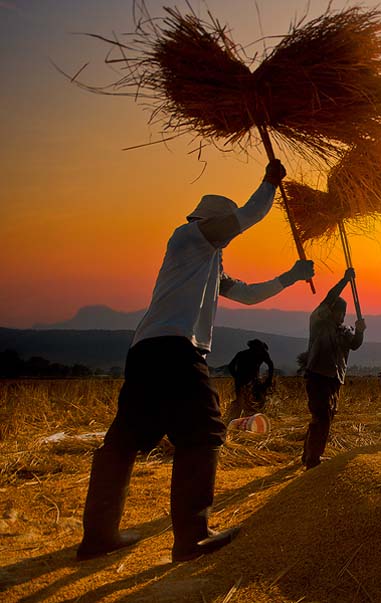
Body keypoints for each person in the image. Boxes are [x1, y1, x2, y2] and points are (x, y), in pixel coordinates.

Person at [77, 160, 316, 562]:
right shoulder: (188, 237)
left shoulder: (207, 262)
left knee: (124, 440)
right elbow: (247, 217)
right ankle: (193, 536)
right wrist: (269, 184)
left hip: (146, 351)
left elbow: (247, 296)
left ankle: (98, 537)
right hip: (174, 349)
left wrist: (290, 277)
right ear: (208, 223)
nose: (225, 237)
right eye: (222, 230)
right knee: (204, 432)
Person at [301, 268, 365, 469]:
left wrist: (361, 332)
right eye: (338, 312)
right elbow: (329, 298)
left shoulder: (344, 331)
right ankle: (313, 461)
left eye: (343, 313)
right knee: (322, 417)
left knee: (323, 417)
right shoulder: (319, 322)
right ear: (331, 311)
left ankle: (308, 455)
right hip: (317, 376)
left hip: (334, 379)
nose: (341, 316)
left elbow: (354, 344)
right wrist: (344, 281)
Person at [224, 339, 274, 422]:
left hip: (244, 381)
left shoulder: (242, 354)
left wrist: (236, 376)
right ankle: (247, 421)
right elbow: (271, 365)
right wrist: (269, 379)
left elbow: (230, 366)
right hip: (251, 381)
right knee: (251, 402)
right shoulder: (261, 354)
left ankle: (235, 421)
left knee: (243, 402)